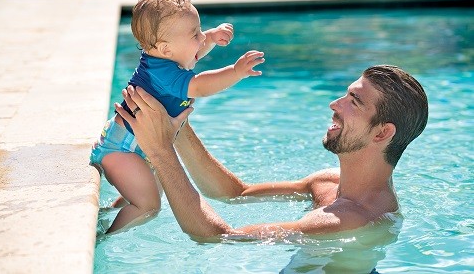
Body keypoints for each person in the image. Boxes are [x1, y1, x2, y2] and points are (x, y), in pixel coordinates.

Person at [114, 65, 428, 240]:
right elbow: (236, 193)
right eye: (345, 95)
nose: (335, 104)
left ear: (382, 133)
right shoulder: (329, 183)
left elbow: (220, 237)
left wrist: (159, 150)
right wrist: (176, 126)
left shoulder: (351, 220)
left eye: (353, 101)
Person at [90, 0, 265, 233]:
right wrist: (234, 72)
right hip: (122, 151)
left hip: (132, 148)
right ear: (165, 49)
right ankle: (103, 237)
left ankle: (109, 211)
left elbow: (191, 54)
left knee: (150, 190)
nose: (201, 38)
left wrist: (210, 38)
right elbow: (200, 86)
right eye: (195, 34)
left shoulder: (165, 60)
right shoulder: (163, 74)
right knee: (149, 207)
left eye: (200, 30)